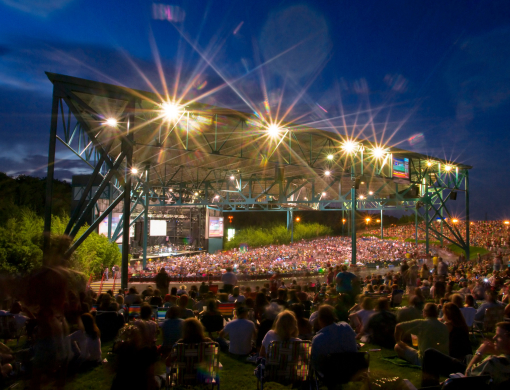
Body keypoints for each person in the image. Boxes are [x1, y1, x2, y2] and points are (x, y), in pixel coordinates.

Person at [421, 322, 510, 387]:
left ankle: (430, 388)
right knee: (467, 357)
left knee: (430, 354)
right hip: (482, 374)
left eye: (499, 336)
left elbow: (468, 376)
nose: (494, 338)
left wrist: (479, 352)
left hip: (468, 379)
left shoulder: (493, 362)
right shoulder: (502, 362)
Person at [311, 305, 357, 372]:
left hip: (329, 373)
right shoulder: (346, 327)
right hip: (352, 370)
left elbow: (316, 363)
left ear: (320, 319)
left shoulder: (318, 339)